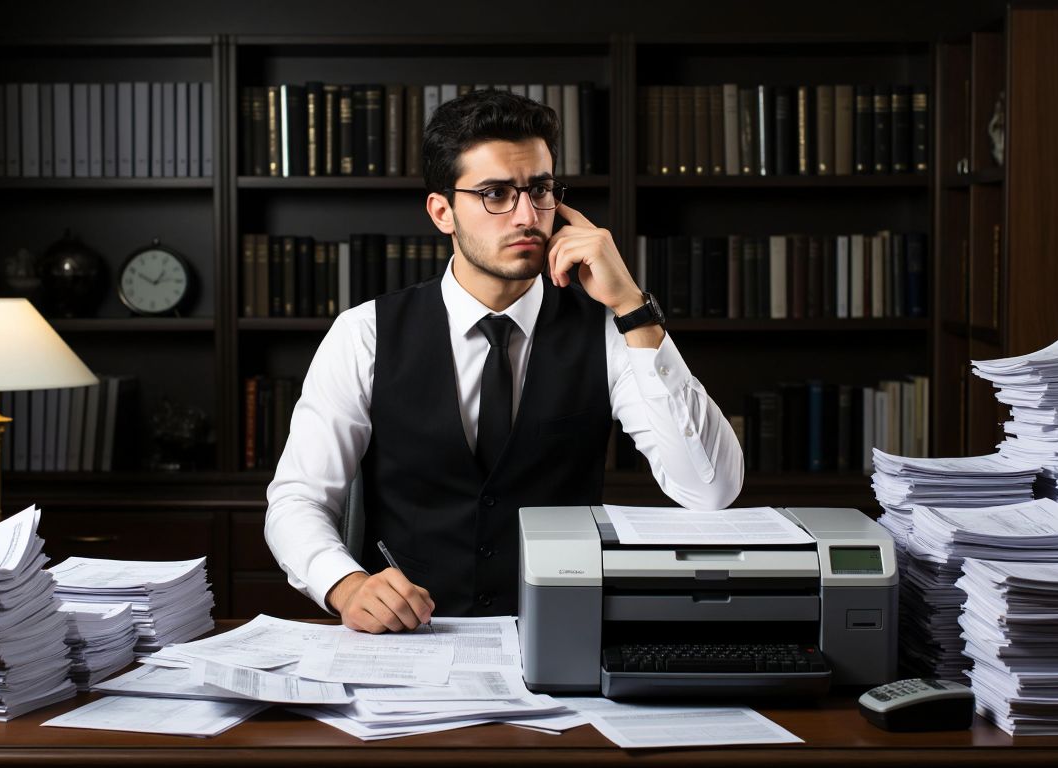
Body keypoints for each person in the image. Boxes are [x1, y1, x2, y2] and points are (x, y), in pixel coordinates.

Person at [265, 89, 743, 633]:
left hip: (567, 637)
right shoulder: (364, 334)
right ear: (442, 211)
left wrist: (634, 307)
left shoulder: (611, 330)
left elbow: (710, 490)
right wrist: (345, 584)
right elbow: (297, 499)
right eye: (495, 193)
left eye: (539, 190)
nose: (526, 215)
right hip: (410, 643)